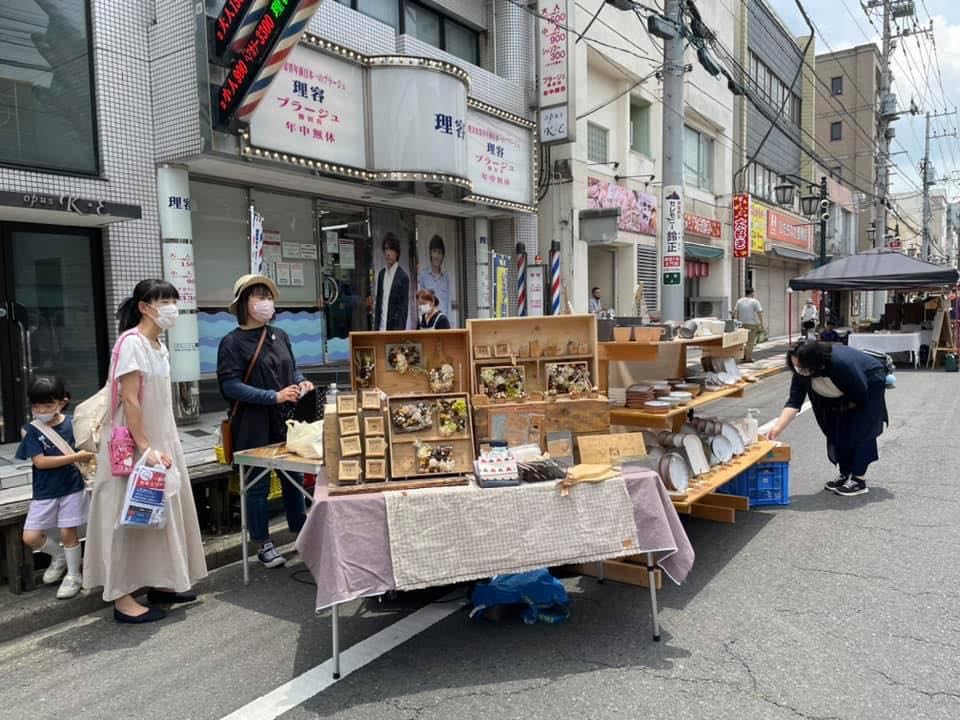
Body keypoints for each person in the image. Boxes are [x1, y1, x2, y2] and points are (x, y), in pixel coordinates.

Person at [83, 279, 207, 623]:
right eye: (162, 300)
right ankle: (122, 598)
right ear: (143, 306)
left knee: (159, 512)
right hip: (134, 447)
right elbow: (130, 399)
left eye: (172, 299)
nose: (170, 306)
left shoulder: (157, 346)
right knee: (125, 517)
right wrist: (145, 447)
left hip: (159, 441)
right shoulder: (131, 343)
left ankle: (161, 581)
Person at [217, 275, 313, 569]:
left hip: (286, 419)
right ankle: (263, 543)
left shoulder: (280, 335)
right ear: (243, 303)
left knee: (294, 478)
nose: (265, 301)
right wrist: (273, 396)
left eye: (267, 295)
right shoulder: (231, 342)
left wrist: (301, 383)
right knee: (256, 484)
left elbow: (292, 369)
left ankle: (303, 533)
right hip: (251, 422)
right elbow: (230, 385)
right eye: (257, 296)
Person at [767, 341, 887, 497]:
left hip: (868, 384)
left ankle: (858, 479)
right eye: (795, 366)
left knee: (861, 429)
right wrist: (777, 428)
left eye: (801, 366)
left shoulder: (841, 364)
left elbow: (860, 395)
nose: (798, 369)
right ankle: (845, 473)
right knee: (836, 427)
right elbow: (794, 402)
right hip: (835, 392)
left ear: (814, 362)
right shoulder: (802, 371)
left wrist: (847, 409)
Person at [17, 376, 93, 600]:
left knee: (68, 532)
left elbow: (88, 450)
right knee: (30, 537)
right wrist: (76, 457)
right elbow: (39, 462)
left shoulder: (73, 423)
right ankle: (59, 557)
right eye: (36, 405)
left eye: (47, 405)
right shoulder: (30, 430)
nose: (41, 410)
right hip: (44, 491)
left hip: (72, 487)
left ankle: (73, 574)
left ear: (62, 402)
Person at [374, 232, 410, 331]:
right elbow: (378, 305)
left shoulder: (403, 277)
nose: (388, 253)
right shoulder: (381, 274)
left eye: (391, 249)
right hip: (380, 329)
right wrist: (375, 329)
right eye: (386, 249)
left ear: (397, 252)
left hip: (393, 331)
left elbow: (403, 311)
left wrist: (398, 334)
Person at [418, 234, 451, 318]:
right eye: (434, 251)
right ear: (430, 253)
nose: (436, 256)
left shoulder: (446, 277)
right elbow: (421, 302)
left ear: (443, 256)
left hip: (443, 321)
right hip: (429, 321)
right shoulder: (423, 275)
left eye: (439, 252)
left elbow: (448, 302)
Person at [733, 288, 764, 362]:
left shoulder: (739, 301)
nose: (754, 294)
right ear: (752, 293)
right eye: (753, 293)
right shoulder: (755, 301)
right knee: (750, 342)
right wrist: (761, 323)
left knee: (742, 341)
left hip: (741, 324)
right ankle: (748, 358)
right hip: (751, 324)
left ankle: (743, 356)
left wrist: (735, 321)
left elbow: (735, 312)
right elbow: (759, 313)